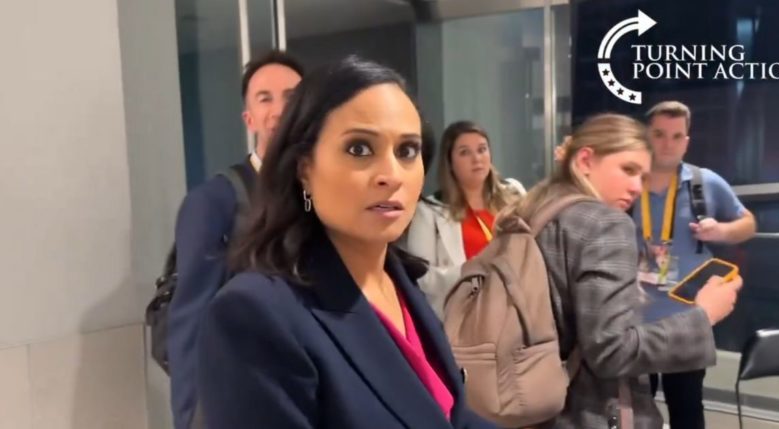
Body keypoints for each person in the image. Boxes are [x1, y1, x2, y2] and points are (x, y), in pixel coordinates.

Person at [196, 56, 497, 429]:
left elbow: (452, 416)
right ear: (304, 168)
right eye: (359, 149)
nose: (391, 175)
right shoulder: (255, 315)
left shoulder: (400, 281)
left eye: (407, 151)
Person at [504, 113, 742, 429]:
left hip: (536, 407)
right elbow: (610, 350)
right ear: (585, 160)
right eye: (628, 170)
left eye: (642, 177)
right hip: (590, 413)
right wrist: (704, 316)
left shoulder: (535, 212)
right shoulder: (605, 223)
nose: (635, 187)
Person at [167, 50, 304, 429]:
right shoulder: (213, 202)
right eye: (265, 98)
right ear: (249, 119)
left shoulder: (327, 195)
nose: (279, 110)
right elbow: (190, 325)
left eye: (292, 98)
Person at [634, 101, 756, 429]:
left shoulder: (705, 183)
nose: (667, 143)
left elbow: (748, 224)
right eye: (659, 134)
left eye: (677, 136)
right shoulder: (628, 182)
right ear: (646, 135)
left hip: (687, 319)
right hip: (632, 322)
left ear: (687, 141)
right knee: (634, 412)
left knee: (687, 410)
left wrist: (722, 231)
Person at [404, 120, 525, 316]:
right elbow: (422, 278)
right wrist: (469, 270)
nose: (477, 158)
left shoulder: (514, 194)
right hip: (465, 318)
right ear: (450, 163)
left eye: (482, 149)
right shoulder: (429, 211)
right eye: (464, 152)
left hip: (513, 311)